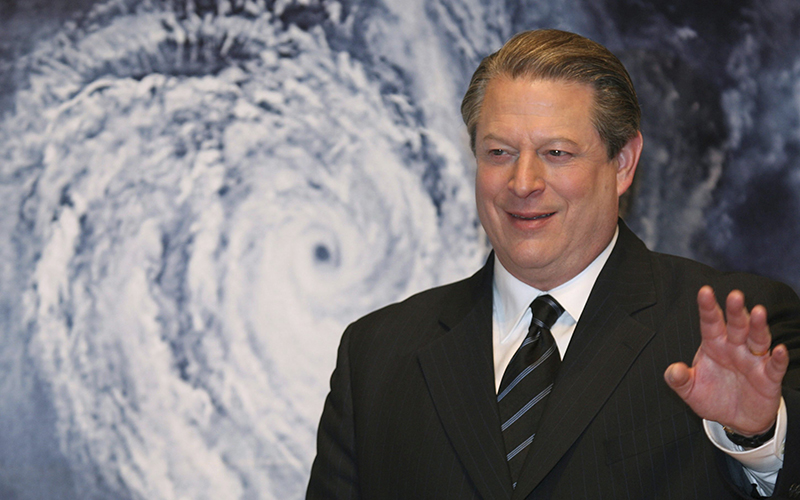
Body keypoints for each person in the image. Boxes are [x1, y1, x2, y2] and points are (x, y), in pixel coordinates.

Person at [306, 29, 800, 499]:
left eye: (556, 152)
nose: (522, 182)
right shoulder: (375, 354)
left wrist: (755, 437)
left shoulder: (733, 332)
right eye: (499, 152)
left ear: (623, 163)